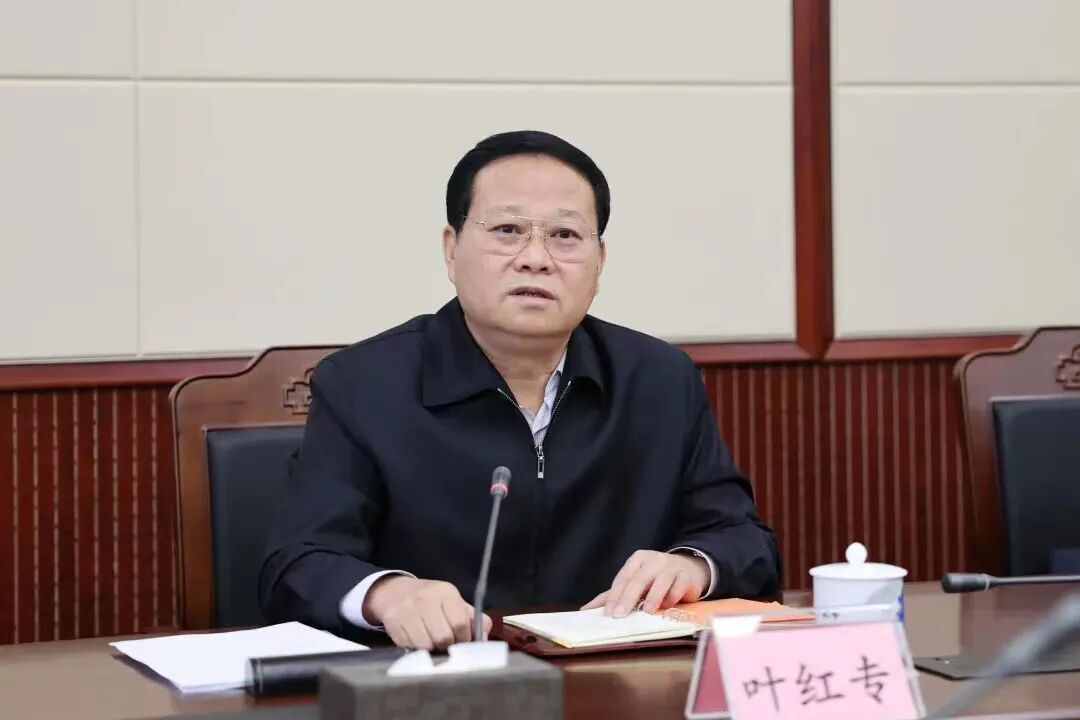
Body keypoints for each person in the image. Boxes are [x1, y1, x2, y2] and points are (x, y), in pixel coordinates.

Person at [258, 130, 780, 650]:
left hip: (617, 674)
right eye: (508, 230)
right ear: (451, 249)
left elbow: (745, 540)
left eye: (565, 235)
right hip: (437, 680)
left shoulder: (659, 379)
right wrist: (388, 595)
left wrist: (692, 566)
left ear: (600, 261)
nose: (536, 258)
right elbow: (297, 563)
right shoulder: (364, 383)